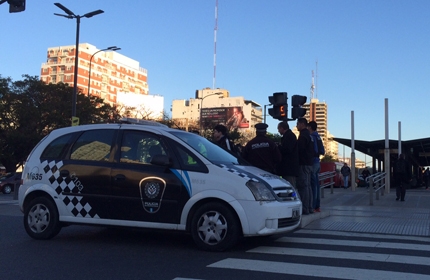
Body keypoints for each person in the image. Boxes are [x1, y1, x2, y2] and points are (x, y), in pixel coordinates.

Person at [296, 118, 314, 215]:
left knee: (303, 186)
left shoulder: (303, 135)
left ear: (302, 124)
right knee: (308, 186)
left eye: (297, 124)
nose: (296, 126)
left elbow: (299, 149)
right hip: (309, 163)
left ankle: (305, 208)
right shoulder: (309, 136)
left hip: (303, 163)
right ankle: (310, 207)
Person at [307, 121, 325, 212]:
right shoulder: (318, 137)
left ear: (310, 127)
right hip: (318, 162)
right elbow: (322, 151)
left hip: (313, 161)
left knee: (313, 185)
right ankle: (317, 206)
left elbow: (313, 150)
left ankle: (313, 206)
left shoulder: (312, 137)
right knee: (317, 185)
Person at [276, 121, 299, 188]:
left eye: (278, 129)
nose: (278, 131)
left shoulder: (289, 136)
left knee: (290, 186)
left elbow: (287, 149)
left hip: (289, 168)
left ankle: (294, 198)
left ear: (282, 128)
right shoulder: (290, 135)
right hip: (289, 168)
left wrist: (279, 147)